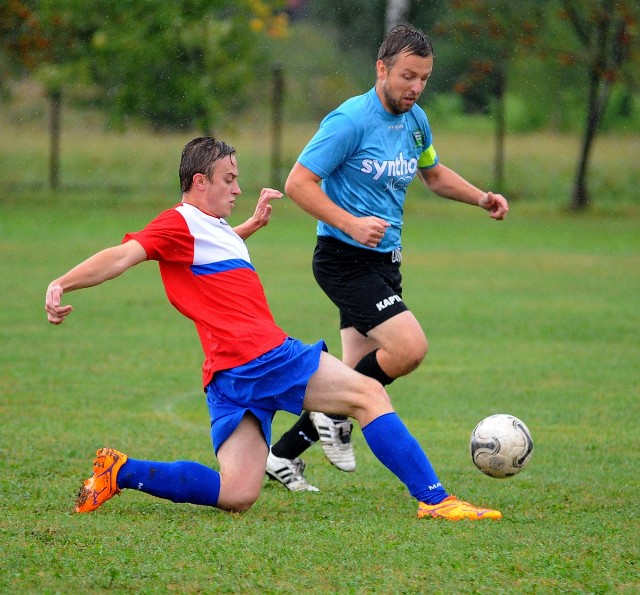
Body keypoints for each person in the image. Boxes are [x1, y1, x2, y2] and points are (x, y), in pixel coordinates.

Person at [44, 136, 501, 521]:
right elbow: (123, 255)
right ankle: (436, 500)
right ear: (199, 182)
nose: (238, 188)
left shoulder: (210, 226)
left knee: (238, 492)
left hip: (228, 373)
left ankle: (118, 471)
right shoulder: (178, 222)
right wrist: (63, 281)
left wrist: (249, 226)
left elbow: (208, 251)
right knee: (368, 394)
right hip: (259, 355)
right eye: (229, 179)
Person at [266, 24, 509, 492]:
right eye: (407, 76)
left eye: (423, 78)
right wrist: (350, 223)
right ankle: (326, 422)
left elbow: (433, 175)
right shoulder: (349, 121)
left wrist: (481, 198)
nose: (415, 88)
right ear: (382, 69)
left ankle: (281, 454)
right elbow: (298, 183)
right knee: (408, 348)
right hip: (343, 259)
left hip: (384, 263)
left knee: (357, 382)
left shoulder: (415, 121)